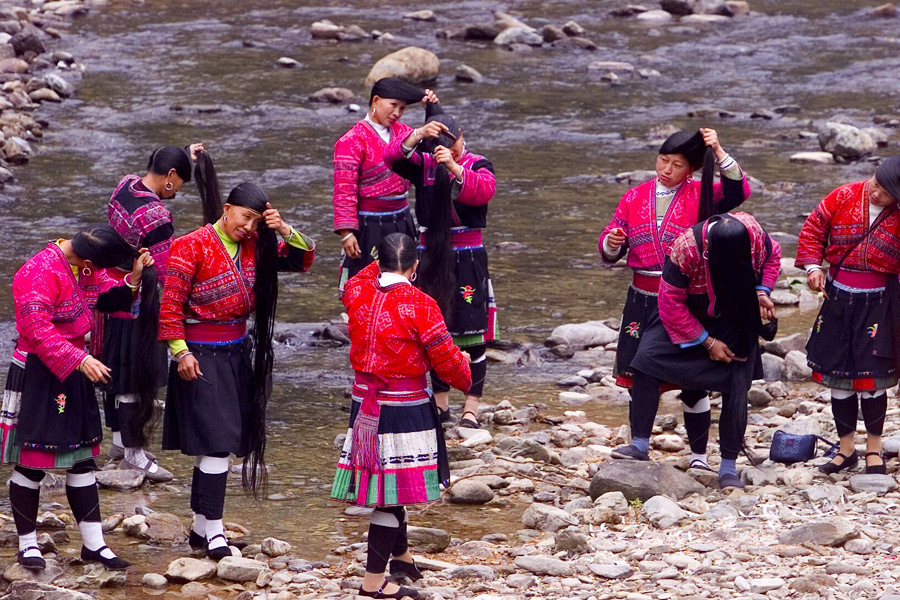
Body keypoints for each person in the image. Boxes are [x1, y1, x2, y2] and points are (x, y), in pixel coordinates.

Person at [159, 152, 315, 560]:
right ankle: (214, 533)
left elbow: (301, 261)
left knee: (219, 441)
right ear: (226, 210)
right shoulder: (189, 246)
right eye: (244, 217)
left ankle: (199, 527)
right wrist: (180, 353)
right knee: (216, 444)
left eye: (256, 221)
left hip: (236, 353)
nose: (248, 227)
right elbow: (170, 305)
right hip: (200, 355)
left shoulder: (254, 248)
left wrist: (284, 230)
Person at [1, 226, 157, 571]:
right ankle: (27, 546)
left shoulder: (87, 266)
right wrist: (82, 359)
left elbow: (104, 297)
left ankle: (95, 545)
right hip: (40, 372)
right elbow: (37, 330)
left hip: (77, 369)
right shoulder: (36, 272)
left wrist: (132, 281)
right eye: (100, 267)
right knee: (32, 462)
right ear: (87, 259)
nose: (100, 274)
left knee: (83, 460)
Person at [331, 233, 472, 600]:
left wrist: (379, 264)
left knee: (391, 486)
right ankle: (372, 583)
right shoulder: (421, 304)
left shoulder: (358, 292)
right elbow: (446, 361)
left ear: (378, 264)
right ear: (415, 268)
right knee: (390, 495)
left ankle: (402, 559)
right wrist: (466, 371)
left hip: (365, 402)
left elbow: (361, 276)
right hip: (403, 406)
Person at [600, 129, 751, 467]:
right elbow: (611, 244)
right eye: (663, 160)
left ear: (691, 170)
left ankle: (699, 456)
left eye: (677, 164)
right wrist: (612, 242)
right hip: (642, 297)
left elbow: (739, 191)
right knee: (640, 372)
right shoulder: (634, 197)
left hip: (687, 300)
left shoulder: (702, 196)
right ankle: (639, 443)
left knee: (692, 378)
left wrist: (719, 151)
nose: (666, 169)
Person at [624, 212, 780, 489]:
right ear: (710, 252)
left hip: (735, 314)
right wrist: (706, 341)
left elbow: (773, 256)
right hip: (686, 313)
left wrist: (761, 291)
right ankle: (638, 444)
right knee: (645, 361)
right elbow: (670, 302)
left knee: (736, 382)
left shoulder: (754, 232)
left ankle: (728, 465)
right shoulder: (686, 249)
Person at [384, 102, 497, 429]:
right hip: (431, 257)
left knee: (473, 334)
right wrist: (418, 133)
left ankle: (471, 409)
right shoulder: (424, 165)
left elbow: (483, 191)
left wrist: (456, 168)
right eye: (440, 150)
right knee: (433, 332)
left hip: (468, 256)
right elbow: (392, 157)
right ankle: (441, 405)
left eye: (452, 146)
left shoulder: (479, 163)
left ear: (461, 137)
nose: (448, 152)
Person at [103, 143, 204, 482]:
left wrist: (185, 153)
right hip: (138, 302)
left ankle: (118, 441)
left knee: (115, 372)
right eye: (179, 185)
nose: (177, 193)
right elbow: (165, 270)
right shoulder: (156, 215)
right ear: (171, 177)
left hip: (112, 292)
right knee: (136, 378)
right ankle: (134, 454)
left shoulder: (125, 185)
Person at [796, 158, 900, 475]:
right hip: (838, 298)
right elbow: (813, 229)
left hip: (880, 303)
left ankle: (874, 450)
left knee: (872, 379)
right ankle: (845, 450)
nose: (875, 191)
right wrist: (813, 267)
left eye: (884, 191)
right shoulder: (842, 196)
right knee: (838, 377)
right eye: (875, 183)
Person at [333, 77, 438, 292]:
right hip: (369, 225)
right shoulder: (351, 141)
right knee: (368, 283)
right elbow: (344, 189)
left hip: (402, 219)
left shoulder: (404, 132)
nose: (397, 113)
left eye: (402, 108)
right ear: (376, 100)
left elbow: (429, 154)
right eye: (393, 105)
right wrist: (347, 233)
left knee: (406, 282)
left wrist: (431, 110)